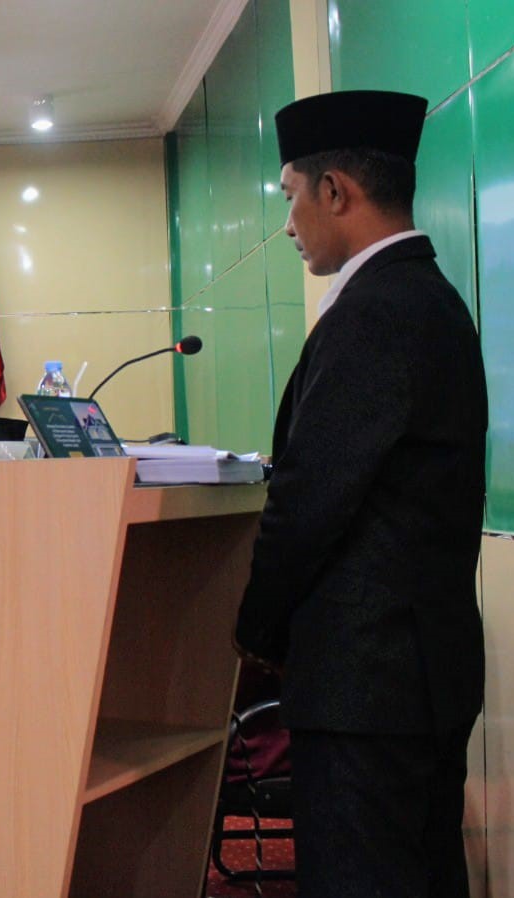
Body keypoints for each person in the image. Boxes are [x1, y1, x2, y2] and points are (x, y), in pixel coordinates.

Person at [233, 90, 487, 898]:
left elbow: (311, 498)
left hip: (364, 685)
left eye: (289, 197)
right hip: (417, 673)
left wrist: (254, 628)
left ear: (334, 190)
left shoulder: (375, 310)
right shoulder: (428, 298)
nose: (287, 223)